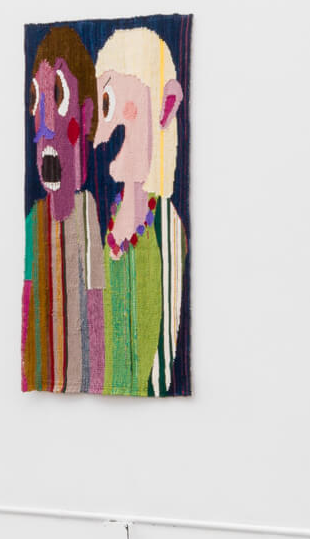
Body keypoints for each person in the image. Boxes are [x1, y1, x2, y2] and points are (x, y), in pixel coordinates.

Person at [94, 28, 187, 397]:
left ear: (164, 108)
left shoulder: (166, 226)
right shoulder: (106, 218)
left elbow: (167, 343)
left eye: (113, 103)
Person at [23, 25, 106, 393]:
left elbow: (96, 302)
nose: (44, 127)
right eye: (36, 99)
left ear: (85, 115)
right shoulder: (34, 222)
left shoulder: (89, 216)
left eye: (56, 95)